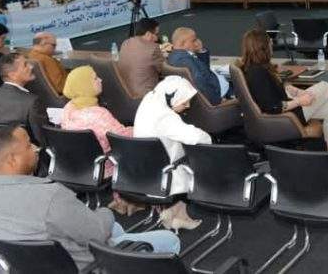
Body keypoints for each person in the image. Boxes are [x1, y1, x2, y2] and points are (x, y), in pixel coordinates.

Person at [0, 125, 180, 267]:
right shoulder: (50, 196)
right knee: (169, 239)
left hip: (38, 265)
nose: (36, 149)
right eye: (29, 146)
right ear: (12, 160)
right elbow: (98, 233)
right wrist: (105, 212)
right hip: (89, 264)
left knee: (114, 228)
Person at [238, 29, 328, 168]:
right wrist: (299, 101)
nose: (271, 44)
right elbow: (273, 107)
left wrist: (290, 89)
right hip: (286, 117)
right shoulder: (258, 73)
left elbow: (268, 94)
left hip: (286, 110)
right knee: (326, 87)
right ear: (262, 47)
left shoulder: (253, 68)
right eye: (269, 42)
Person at [133, 77, 210, 230]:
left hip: (141, 171)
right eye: (184, 102)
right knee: (201, 157)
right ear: (172, 98)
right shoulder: (165, 116)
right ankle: (177, 212)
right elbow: (194, 137)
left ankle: (176, 215)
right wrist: (209, 138)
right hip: (163, 176)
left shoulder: (149, 100)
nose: (188, 106)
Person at [60, 66, 137, 214]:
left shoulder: (68, 108)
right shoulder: (98, 114)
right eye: (95, 78)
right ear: (85, 85)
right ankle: (133, 199)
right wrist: (139, 128)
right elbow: (122, 137)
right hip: (103, 165)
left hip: (76, 164)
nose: (100, 80)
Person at [0, 53, 49, 145]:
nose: (31, 67)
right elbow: (42, 139)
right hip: (25, 150)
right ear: (12, 75)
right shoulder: (32, 101)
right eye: (25, 65)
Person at [168, 26, 227, 105]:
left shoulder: (176, 55)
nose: (196, 43)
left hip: (213, 87)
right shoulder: (183, 60)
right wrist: (217, 101)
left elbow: (204, 69)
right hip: (214, 95)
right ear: (183, 43)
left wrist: (200, 50)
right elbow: (200, 84)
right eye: (193, 40)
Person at [118, 18, 164, 97]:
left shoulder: (126, 43)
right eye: (156, 34)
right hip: (146, 96)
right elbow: (164, 70)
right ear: (148, 34)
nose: (157, 38)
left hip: (125, 94)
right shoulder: (153, 48)